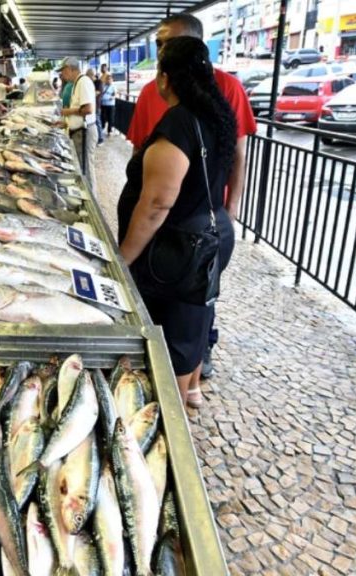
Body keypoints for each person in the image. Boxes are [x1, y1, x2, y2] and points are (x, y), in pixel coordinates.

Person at [123, 13, 257, 405]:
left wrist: (123, 257)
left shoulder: (179, 124)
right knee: (196, 315)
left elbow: (157, 203)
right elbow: (235, 159)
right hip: (212, 232)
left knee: (176, 325)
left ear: (166, 78)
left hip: (183, 245)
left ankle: (173, 409)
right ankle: (193, 388)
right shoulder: (216, 113)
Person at [57, 57, 98, 192]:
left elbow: (88, 109)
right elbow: (78, 109)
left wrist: (67, 111)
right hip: (78, 132)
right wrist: (65, 123)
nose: (62, 75)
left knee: (86, 168)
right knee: (81, 167)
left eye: (62, 71)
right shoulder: (76, 83)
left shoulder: (83, 82)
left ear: (69, 68)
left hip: (84, 133)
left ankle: (93, 203)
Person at [88, 68, 105, 144]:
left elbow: (97, 92)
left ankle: (100, 139)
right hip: (93, 105)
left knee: (97, 122)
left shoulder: (98, 82)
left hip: (97, 106)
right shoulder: (91, 83)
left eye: (88, 76)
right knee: (95, 122)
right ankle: (97, 138)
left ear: (91, 75)